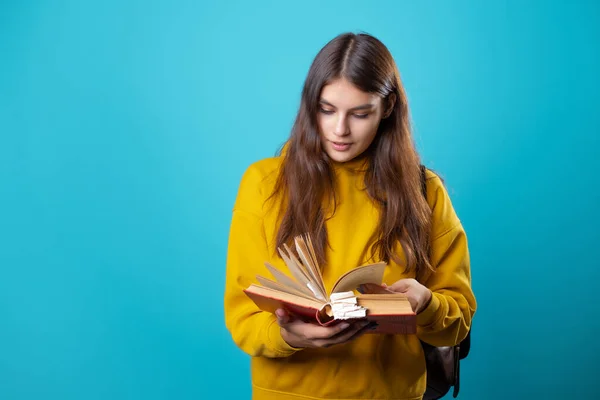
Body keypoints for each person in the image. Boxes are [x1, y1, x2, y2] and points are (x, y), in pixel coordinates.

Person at [224, 32, 477, 400]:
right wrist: (287, 336)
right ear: (310, 103)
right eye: (327, 109)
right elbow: (242, 315)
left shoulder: (425, 190)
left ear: (387, 107)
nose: (340, 129)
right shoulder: (263, 184)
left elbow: (458, 320)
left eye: (360, 113)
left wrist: (426, 304)